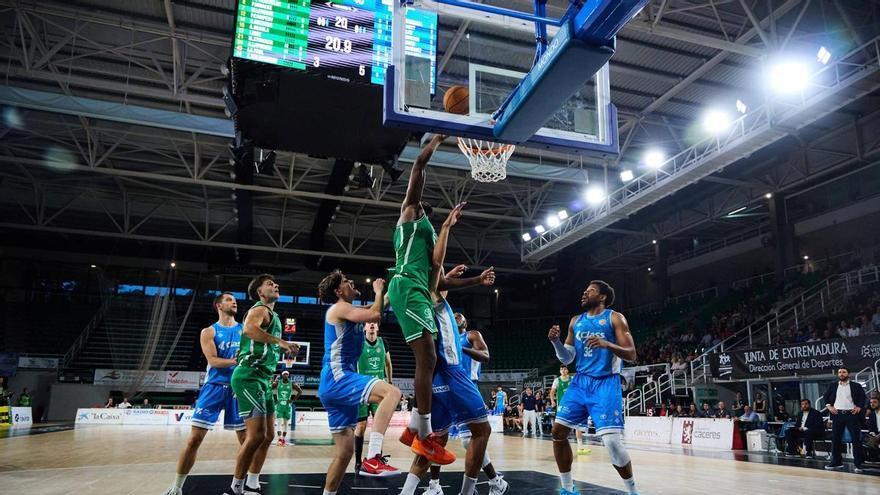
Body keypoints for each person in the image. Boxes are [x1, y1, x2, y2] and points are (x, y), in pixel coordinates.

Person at [387, 134, 493, 465]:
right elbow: (418, 166)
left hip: (420, 289)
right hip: (405, 286)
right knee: (428, 358)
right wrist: (437, 140)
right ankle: (426, 433)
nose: (421, 205)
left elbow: (438, 274)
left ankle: (416, 429)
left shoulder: (430, 230)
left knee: (429, 358)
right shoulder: (408, 216)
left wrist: (475, 277)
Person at [399, 203, 496, 495]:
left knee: (435, 442)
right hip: (452, 372)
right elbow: (438, 269)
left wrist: (472, 279)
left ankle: (406, 492)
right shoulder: (427, 283)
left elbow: (443, 278)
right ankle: (469, 491)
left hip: (436, 378)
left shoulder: (419, 287)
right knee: (482, 431)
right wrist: (445, 227)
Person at [548, 280, 639, 495]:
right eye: (584, 290)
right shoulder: (575, 321)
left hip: (606, 383)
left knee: (613, 445)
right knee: (558, 432)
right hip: (580, 382)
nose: (584, 293)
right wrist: (556, 342)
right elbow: (568, 358)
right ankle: (568, 488)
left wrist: (607, 344)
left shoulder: (614, 318)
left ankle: (632, 491)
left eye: (590, 291)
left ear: (602, 297)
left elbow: (632, 354)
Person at [318, 271, 403, 494]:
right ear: (338, 291)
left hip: (332, 383)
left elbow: (381, 304)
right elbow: (375, 313)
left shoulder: (350, 311)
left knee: (344, 454)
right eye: (347, 281)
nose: (352, 282)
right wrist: (376, 291)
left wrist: (397, 281)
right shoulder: (339, 307)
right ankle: (374, 457)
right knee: (392, 393)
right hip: (339, 377)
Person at [164, 292, 247, 495]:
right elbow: (214, 361)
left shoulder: (245, 331)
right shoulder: (209, 331)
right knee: (194, 440)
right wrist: (238, 360)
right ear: (218, 306)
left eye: (234, 300)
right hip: (214, 387)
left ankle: (241, 487)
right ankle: (176, 487)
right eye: (228, 299)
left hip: (238, 388)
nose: (234, 302)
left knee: (247, 442)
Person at [224, 275, 297, 495]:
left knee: (268, 436)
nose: (275, 285)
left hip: (263, 378)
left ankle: (253, 483)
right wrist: (281, 343)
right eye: (269, 284)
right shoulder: (259, 309)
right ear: (260, 292)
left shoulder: (273, 315)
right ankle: (236, 487)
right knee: (255, 435)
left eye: (276, 283)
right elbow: (248, 330)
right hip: (249, 376)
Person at [422, 311, 509, 495]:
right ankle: (435, 485)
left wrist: (460, 349)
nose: (456, 315)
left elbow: (485, 355)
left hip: (466, 387)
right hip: (446, 388)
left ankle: (494, 481)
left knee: (468, 440)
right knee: (438, 438)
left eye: (460, 315)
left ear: (465, 322)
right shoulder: (445, 339)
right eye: (453, 314)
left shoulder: (471, 335)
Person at [353, 321, 393, 475]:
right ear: (364, 328)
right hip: (362, 389)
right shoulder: (358, 343)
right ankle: (358, 461)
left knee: (379, 426)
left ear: (377, 327)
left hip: (379, 389)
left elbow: (388, 364)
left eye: (374, 323)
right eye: (369, 323)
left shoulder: (384, 343)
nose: (371, 325)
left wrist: (389, 382)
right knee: (361, 426)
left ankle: (377, 460)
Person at [823, 367, 867, 473]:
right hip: (837, 414)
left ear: (848, 374)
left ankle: (858, 464)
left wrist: (859, 407)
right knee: (836, 439)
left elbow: (863, 397)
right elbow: (826, 397)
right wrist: (829, 407)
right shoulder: (833, 385)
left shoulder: (856, 386)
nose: (841, 374)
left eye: (843, 372)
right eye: (839, 372)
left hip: (852, 414)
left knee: (856, 439)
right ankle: (836, 462)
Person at [550, 366, 589, 455]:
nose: (563, 370)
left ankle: (580, 448)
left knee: (578, 426)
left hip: (574, 405)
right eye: (561, 369)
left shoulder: (572, 379)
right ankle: (559, 446)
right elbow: (552, 392)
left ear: (567, 370)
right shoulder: (557, 380)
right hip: (562, 407)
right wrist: (552, 401)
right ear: (560, 371)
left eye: (565, 369)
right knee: (561, 428)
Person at [273, 371, 302, 447]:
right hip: (279, 405)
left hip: (287, 406)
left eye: (287, 374)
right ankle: (279, 439)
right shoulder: (278, 383)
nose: (286, 375)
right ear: (282, 375)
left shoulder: (291, 383)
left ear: (288, 375)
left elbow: (300, 391)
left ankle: (283, 439)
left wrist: (292, 400)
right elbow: (269, 389)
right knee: (279, 423)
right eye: (284, 374)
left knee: (286, 424)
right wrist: (274, 399)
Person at [863, 395, 880, 462]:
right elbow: (871, 426)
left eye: (875, 402)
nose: (872, 404)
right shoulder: (872, 414)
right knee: (866, 437)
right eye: (871, 402)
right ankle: (873, 458)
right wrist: (872, 432)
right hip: (876, 433)